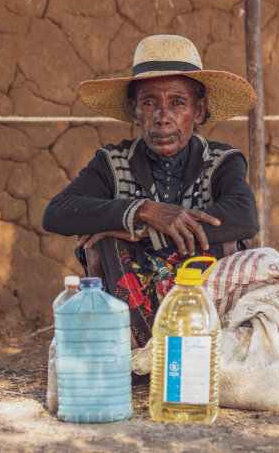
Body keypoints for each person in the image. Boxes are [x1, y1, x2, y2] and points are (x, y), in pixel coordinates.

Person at [43, 35, 259, 348]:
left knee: (242, 245)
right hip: (133, 318)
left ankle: (204, 348)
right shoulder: (112, 162)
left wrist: (142, 231)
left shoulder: (222, 161)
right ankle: (143, 352)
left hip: (203, 317)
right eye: (148, 103)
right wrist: (145, 211)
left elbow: (244, 217)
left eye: (177, 103)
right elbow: (57, 213)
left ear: (198, 111)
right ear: (134, 112)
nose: (161, 118)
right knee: (102, 243)